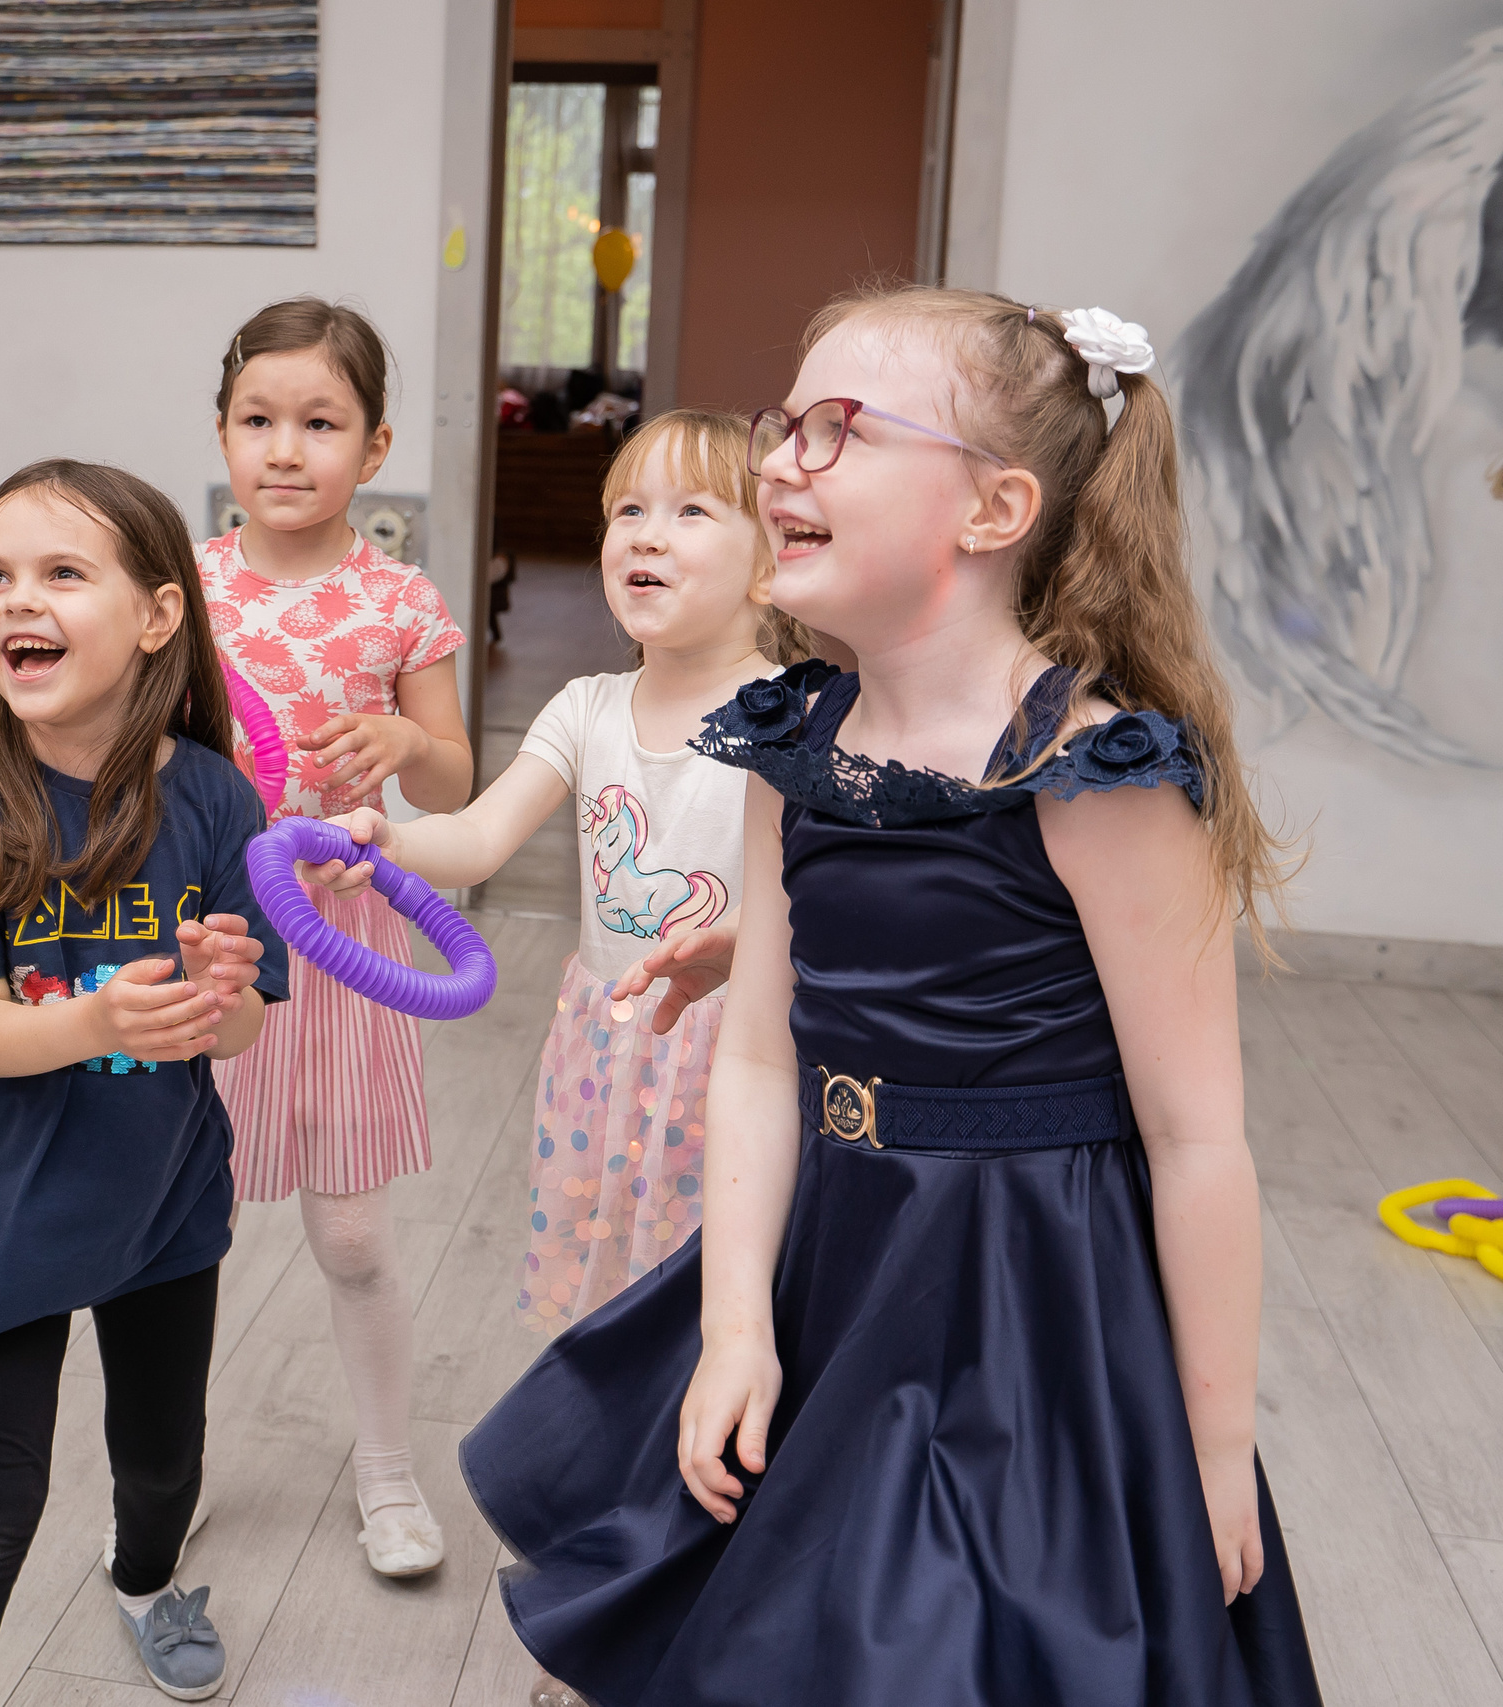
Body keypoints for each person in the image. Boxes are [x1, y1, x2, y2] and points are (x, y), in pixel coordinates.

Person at [459, 288, 1322, 1707]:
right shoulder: (793, 739)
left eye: (839, 430)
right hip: (832, 1244)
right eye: (784, 423)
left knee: (940, 1636)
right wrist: (737, 1320)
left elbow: (1196, 1136)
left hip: (1019, 1287)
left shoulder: (1095, 774)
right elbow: (756, 1059)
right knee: (782, 1608)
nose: (783, 459)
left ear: (992, 509)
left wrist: (1215, 1449)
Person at [0, 459, 285, 1706]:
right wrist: (101, 1016)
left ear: (158, 616)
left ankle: (146, 1584)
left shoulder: (216, 797)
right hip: (2, 1209)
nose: (18, 602)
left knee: (161, 1465)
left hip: (163, 1206)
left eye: (63, 573)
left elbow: (243, 1034)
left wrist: (219, 999)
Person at [308, 410, 809, 1341]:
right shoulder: (587, 707)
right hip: (605, 1039)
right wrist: (388, 841)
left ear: (772, 565)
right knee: (607, 1283)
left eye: (692, 511)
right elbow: (479, 836)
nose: (647, 533)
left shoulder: (797, 717)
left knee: (721, 1293)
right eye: (628, 510)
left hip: (739, 1048)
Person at [197, 296, 474, 1578]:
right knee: (175, 1221)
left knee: (350, 1235)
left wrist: (410, 746)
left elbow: (457, 785)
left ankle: (384, 1465)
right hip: (205, 929)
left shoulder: (401, 601)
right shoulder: (178, 587)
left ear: (371, 450)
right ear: (221, 433)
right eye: (260, 420)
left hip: (348, 937)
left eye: (320, 423)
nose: (286, 448)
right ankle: (165, 1467)